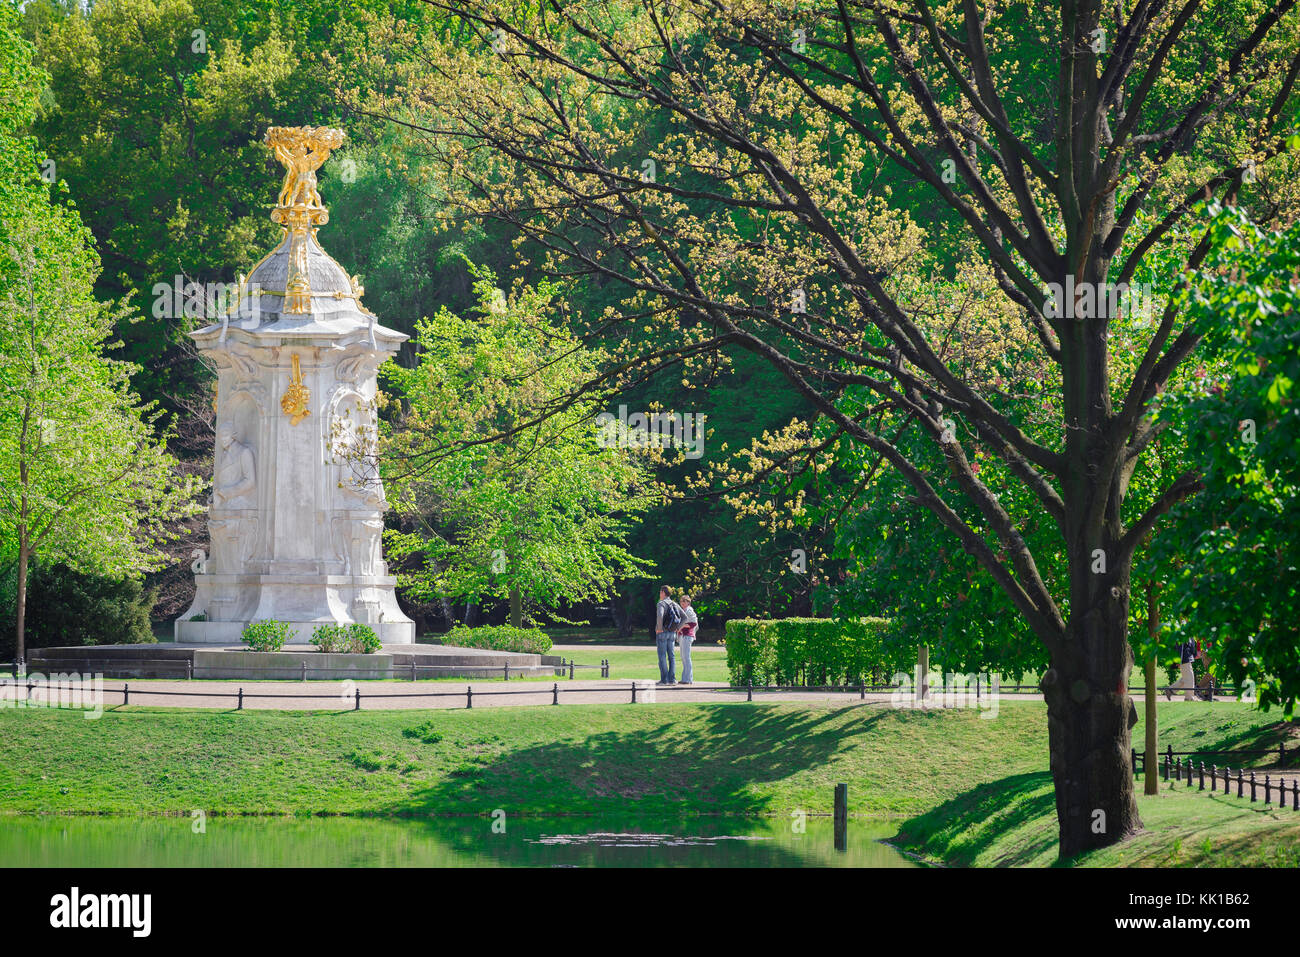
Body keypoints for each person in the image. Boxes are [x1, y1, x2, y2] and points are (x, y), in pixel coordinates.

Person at [654, 585, 681, 685]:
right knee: (672, 656)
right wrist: (677, 628)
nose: (659, 594)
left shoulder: (661, 603)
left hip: (663, 633)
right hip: (672, 633)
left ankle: (664, 680)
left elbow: (660, 615)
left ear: (663, 593)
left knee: (662, 656)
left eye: (660, 592)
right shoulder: (674, 603)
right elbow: (684, 617)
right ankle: (672, 679)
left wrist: (660, 628)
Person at [677, 595, 699, 684]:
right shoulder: (682, 611)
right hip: (682, 635)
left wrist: (682, 626)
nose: (682, 602)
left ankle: (688, 679)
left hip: (687, 635)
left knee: (686, 657)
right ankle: (685, 678)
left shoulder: (690, 611)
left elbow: (693, 623)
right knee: (683, 657)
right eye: (681, 601)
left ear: (688, 602)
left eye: (684, 601)